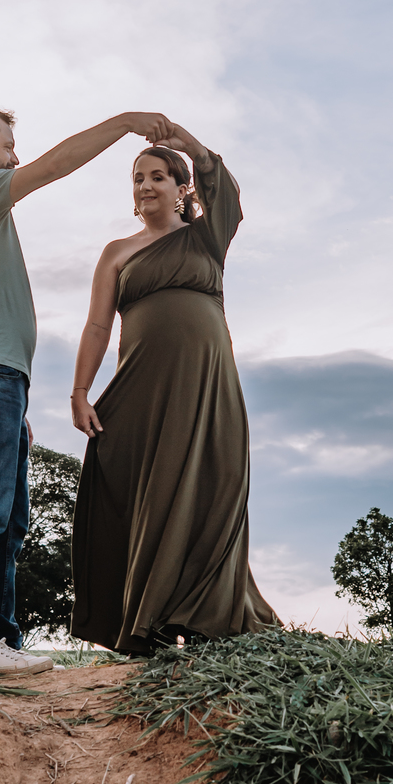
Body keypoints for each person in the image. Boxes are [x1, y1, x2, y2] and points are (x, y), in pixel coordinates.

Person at [0, 102, 172, 673]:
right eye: (6, 144)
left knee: (9, 520)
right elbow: (53, 166)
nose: (15, 156)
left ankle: (2, 642)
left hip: (0, 380)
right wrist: (123, 124)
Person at [68, 124, 278, 654]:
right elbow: (97, 326)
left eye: (158, 176)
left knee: (216, 484)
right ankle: (152, 623)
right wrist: (80, 391)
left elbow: (224, 189)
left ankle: (207, 619)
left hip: (209, 387)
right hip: (144, 393)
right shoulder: (117, 252)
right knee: (146, 491)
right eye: (138, 177)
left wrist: (185, 140)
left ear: (182, 188)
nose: (145, 185)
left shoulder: (206, 236)